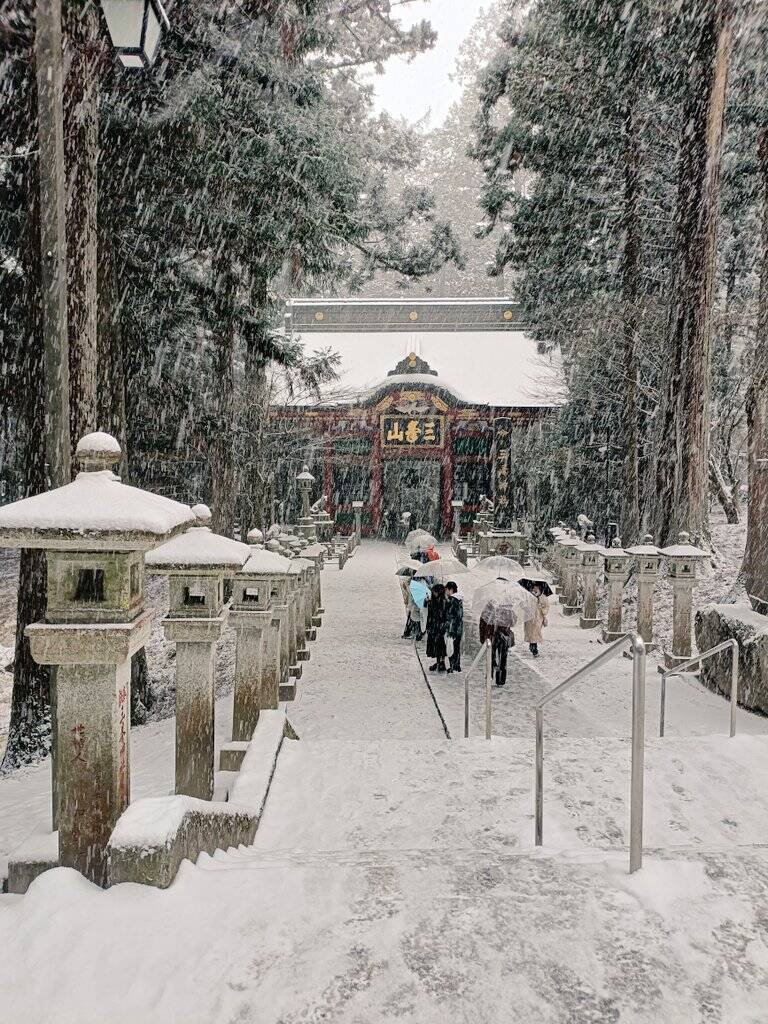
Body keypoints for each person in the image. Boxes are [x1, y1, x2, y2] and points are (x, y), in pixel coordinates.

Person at [479, 604, 517, 686]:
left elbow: (513, 622)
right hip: (493, 636)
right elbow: (482, 622)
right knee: (493, 658)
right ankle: (492, 678)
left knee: (500, 659)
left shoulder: (507, 608)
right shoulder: (489, 608)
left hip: (500, 636)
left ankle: (497, 679)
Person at [426, 582, 448, 672]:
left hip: (439, 628)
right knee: (437, 646)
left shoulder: (444, 602)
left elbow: (442, 615)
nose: (434, 593)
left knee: (440, 645)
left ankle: (441, 662)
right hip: (434, 628)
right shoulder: (434, 602)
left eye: (435, 591)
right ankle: (439, 662)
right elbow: (430, 614)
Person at [523, 583, 549, 657]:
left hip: (538, 618)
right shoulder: (528, 596)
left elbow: (547, 607)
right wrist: (527, 607)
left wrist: (542, 607)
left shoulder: (543, 597)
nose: (535, 589)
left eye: (537, 588)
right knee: (531, 633)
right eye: (534, 588)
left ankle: (534, 648)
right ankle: (532, 646)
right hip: (529, 619)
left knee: (535, 633)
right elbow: (523, 605)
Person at [444, 581, 463, 673]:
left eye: (446, 589)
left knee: (450, 648)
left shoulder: (452, 600)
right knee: (456, 648)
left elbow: (450, 617)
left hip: (453, 629)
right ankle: (456, 666)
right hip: (459, 628)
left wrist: (450, 631)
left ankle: (452, 666)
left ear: (451, 589)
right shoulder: (459, 600)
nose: (445, 591)